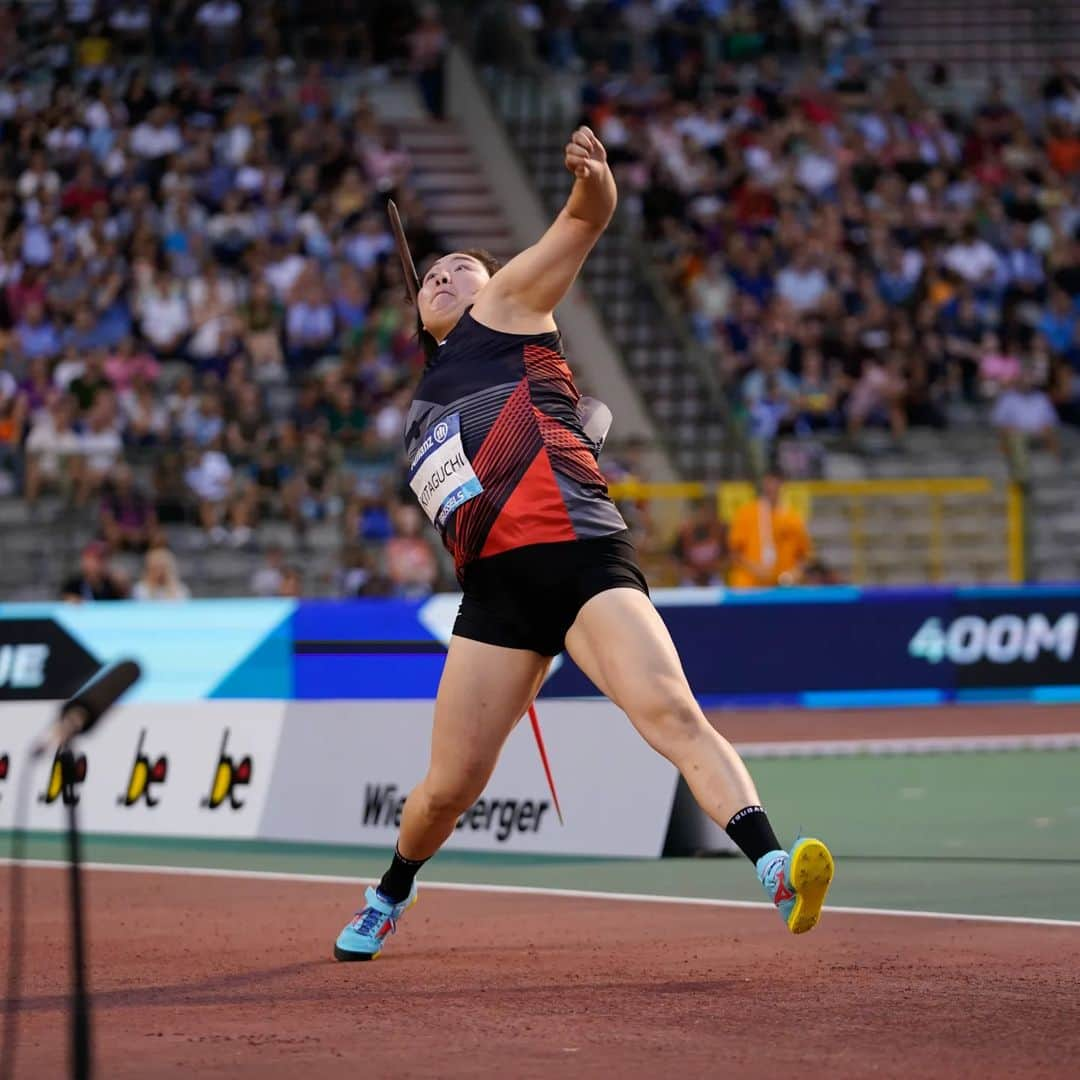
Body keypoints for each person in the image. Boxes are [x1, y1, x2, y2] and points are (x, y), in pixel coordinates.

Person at [333, 127, 833, 962]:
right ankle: (390, 890)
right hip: (495, 595)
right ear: (419, 312)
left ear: (498, 285)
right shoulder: (418, 415)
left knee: (670, 711)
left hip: (584, 559)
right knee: (448, 789)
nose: (448, 272)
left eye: (465, 264)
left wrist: (593, 183)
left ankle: (776, 866)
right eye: (434, 273)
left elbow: (584, 221)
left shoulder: (507, 312)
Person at [728, 470, 812, 588]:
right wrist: (755, 569)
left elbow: (804, 556)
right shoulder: (746, 513)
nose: (772, 487)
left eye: (775, 482)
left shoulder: (793, 518)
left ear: (783, 485)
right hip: (749, 587)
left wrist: (793, 574)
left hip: (782, 588)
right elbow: (734, 554)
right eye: (768, 482)